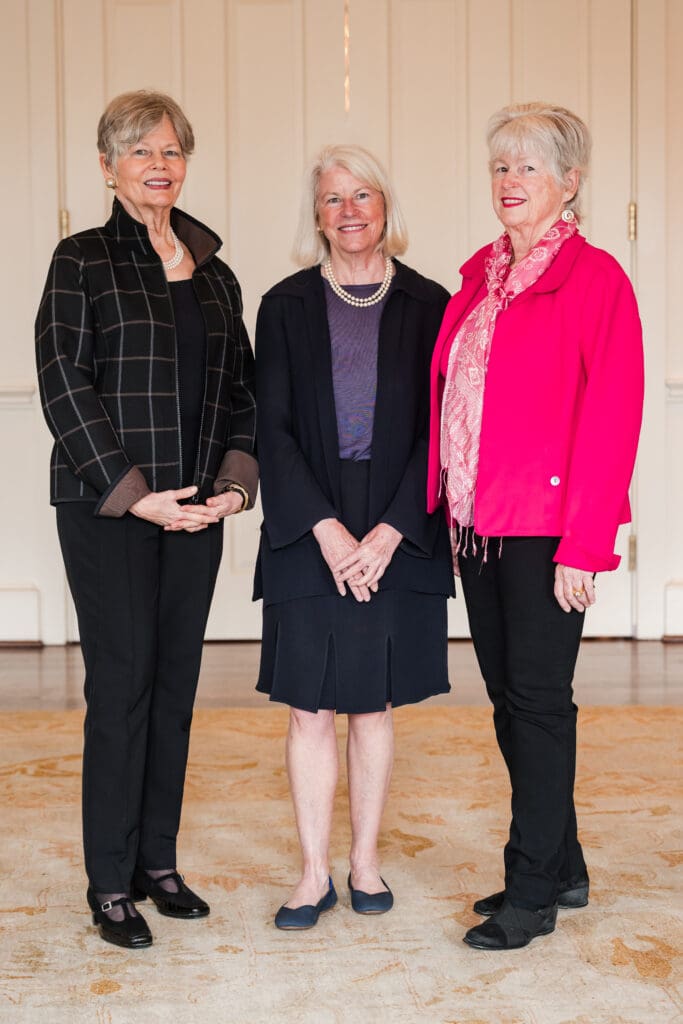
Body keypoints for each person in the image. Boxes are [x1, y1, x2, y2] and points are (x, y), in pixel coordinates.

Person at [35, 90, 257, 949]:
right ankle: (109, 882)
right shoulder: (81, 260)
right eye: (139, 152)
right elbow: (63, 382)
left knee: (174, 690)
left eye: (170, 150)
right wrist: (135, 492)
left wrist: (232, 488)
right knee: (121, 691)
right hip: (110, 511)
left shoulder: (215, 272)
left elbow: (241, 392)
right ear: (108, 167)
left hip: (197, 514)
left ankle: (156, 864)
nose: (158, 164)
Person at [428, 102, 644, 950]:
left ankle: (531, 893)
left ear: (568, 182)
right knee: (510, 706)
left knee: (539, 705)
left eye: (527, 168)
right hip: (479, 525)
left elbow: (613, 418)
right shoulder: (481, 276)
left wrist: (586, 545)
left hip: (548, 529)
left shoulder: (595, 280)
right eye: (499, 168)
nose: (509, 184)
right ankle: (564, 862)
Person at [254, 144, 454, 929]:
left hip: (398, 518)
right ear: (317, 216)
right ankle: (312, 875)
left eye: (361, 195)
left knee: (371, 705)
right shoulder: (283, 304)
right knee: (308, 706)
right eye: (332, 199)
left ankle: (363, 862)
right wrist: (331, 533)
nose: (348, 212)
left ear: (385, 207)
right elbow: (270, 429)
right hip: (310, 517)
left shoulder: (431, 303)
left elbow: (438, 433)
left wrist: (391, 530)